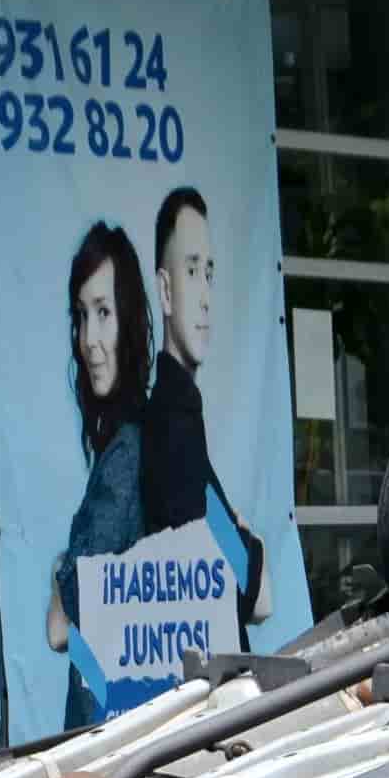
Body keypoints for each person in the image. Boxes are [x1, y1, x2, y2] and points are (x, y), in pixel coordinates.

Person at [137, 187, 270, 636]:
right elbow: (254, 594)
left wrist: (243, 543)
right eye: (191, 270)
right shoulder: (170, 425)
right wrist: (249, 541)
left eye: (209, 272)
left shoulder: (181, 416)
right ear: (165, 290)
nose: (206, 295)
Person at [47, 220, 149, 731]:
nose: (88, 339)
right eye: (81, 315)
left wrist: (62, 574)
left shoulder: (127, 451)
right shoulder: (126, 443)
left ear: (129, 321)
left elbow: (63, 626)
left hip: (110, 726)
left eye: (103, 313)